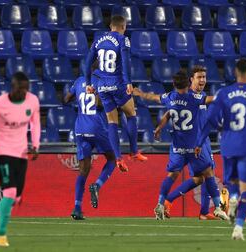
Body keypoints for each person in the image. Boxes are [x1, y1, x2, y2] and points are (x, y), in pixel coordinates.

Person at [195, 58, 246, 240]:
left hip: (228, 144)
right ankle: (238, 228)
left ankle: (232, 196)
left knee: (232, 180)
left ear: (235, 73)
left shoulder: (224, 93)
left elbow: (210, 121)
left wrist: (200, 142)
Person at [133, 70, 228, 221]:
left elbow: (163, 105)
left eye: (204, 77)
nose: (202, 80)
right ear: (191, 81)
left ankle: (164, 203)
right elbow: (213, 100)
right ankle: (214, 208)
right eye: (199, 77)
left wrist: (140, 94)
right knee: (207, 173)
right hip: (196, 143)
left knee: (191, 176)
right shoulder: (195, 97)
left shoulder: (171, 96)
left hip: (184, 144)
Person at [0, 72, 40, 247]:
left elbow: (35, 121)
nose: (24, 92)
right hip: (2, 150)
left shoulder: (32, 101)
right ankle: (1, 235)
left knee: (16, 198)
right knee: (9, 192)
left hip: (21, 151)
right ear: (13, 87)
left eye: (26, 89)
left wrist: (36, 144)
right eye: (21, 89)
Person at [84, 15, 147, 172]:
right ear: (123, 27)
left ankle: (118, 157)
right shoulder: (122, 39)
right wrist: (128, 82)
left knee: (112, 121)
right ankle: (133, 151)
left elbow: (87, 62)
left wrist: (88, 83)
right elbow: (125, 62)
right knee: (131, 114)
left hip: (102, 86)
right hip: (117, 83)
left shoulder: (98, 39)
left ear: (110, 26)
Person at [64, 72, 117, 220]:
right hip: (97, 127)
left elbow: (66, 99)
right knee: (112, 159)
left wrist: (78, 97)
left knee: (83, 171)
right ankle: (97, 185)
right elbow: (99, 104)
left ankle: (76, 208)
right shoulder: (102, 82)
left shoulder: (79, 80)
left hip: (80, 129)